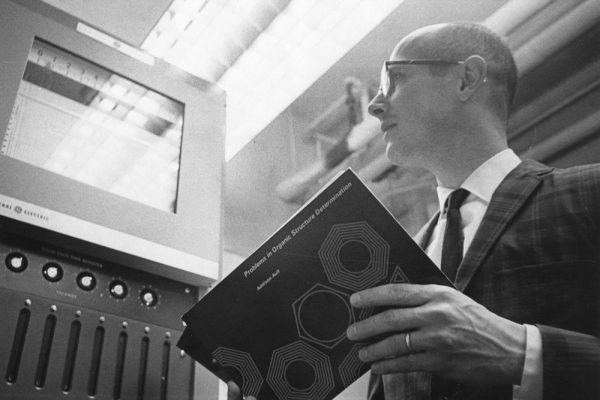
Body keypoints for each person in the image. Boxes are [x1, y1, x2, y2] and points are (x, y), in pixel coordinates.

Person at [229, 22, 600, 400]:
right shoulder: (391, 263)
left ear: (466, 79)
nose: (375, 106)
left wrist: (524, 352)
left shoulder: (589, 192)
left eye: (395, 79)